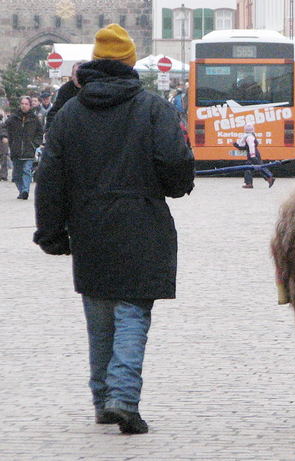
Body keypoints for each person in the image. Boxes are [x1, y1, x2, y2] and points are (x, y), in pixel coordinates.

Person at [33, 24, 195, 434]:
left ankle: (104, 399)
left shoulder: (70, 113)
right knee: (132, 312)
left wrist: (51, 233)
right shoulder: (152, 107)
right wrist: (175, 186)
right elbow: (175, 163)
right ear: (128, 64)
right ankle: (122, 397)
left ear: (93, 63)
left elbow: (49, 177)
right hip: (141, 223)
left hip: (89, 227)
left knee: (101, 316)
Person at [1, 96, 44, 199]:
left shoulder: (34, 119)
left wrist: (35, 144)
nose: (24, 106)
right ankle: (21, 190)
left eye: (26, 104)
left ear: (30, 106)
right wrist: (5, 136)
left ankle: (25, 191)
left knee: (26, 170)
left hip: (29, 149)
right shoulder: (14, 117)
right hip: (16, 149)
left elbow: (40, 132)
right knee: (16, 174)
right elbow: (4, 127)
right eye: (22, 104)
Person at [46, 61, 86, 129]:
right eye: (74, 74)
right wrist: (49, 129)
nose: (76, 77)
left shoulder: (93, 88)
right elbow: (55, 111)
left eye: (79, 74)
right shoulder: (65, 89)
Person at [234, 123, 273, 188]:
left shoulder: (249, 137)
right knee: (257, 167)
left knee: (252, 167)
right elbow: (246, 147)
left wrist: (252, 156)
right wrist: (236, 145)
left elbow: (251, 146)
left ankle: (250, 183)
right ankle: (269, 178)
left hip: (253, 154)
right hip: (254, 154)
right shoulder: (250, 136)